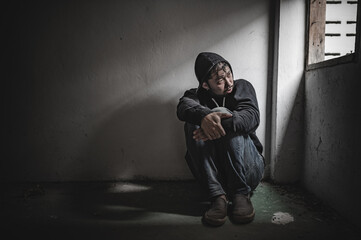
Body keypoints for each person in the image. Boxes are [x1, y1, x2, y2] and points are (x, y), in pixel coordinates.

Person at [176, 52, 265, 226]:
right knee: (194, 121)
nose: (229, 82)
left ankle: (240, 193)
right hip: (216, 177)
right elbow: (183, 107)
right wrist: (204, 117)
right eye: (220, 80)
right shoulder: (195, 95)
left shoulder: (242, 86)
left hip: (249, 171)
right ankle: (217, 196)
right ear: (205, 84)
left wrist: (221, 123)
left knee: (227, 116)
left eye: (229, 75)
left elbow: (251, 116)